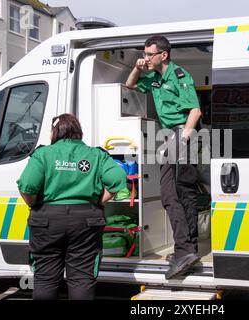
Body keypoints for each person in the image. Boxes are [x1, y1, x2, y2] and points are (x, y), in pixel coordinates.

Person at [17, 113, 126, 300]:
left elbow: (27, 185)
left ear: (54, 132)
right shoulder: (96, 155)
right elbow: (118, 179)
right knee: (82, 279)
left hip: (47, 221)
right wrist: (100, 200)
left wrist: (32, 202)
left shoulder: (43, 154)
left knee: (45, 279)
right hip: (86, 222)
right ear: (78, 132)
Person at [126, 35, 202, 280]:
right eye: (145, 54)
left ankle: (184, 250)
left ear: (164, 55)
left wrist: (182, 140)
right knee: (184, 194)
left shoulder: (180, 75)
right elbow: (130, 85)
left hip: (181, 134)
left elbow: (195, 110)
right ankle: (189, 249)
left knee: (170, 195)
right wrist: (137, 68)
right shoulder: (155, 78)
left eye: (149, 54)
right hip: (171, 135)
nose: (146, 57)